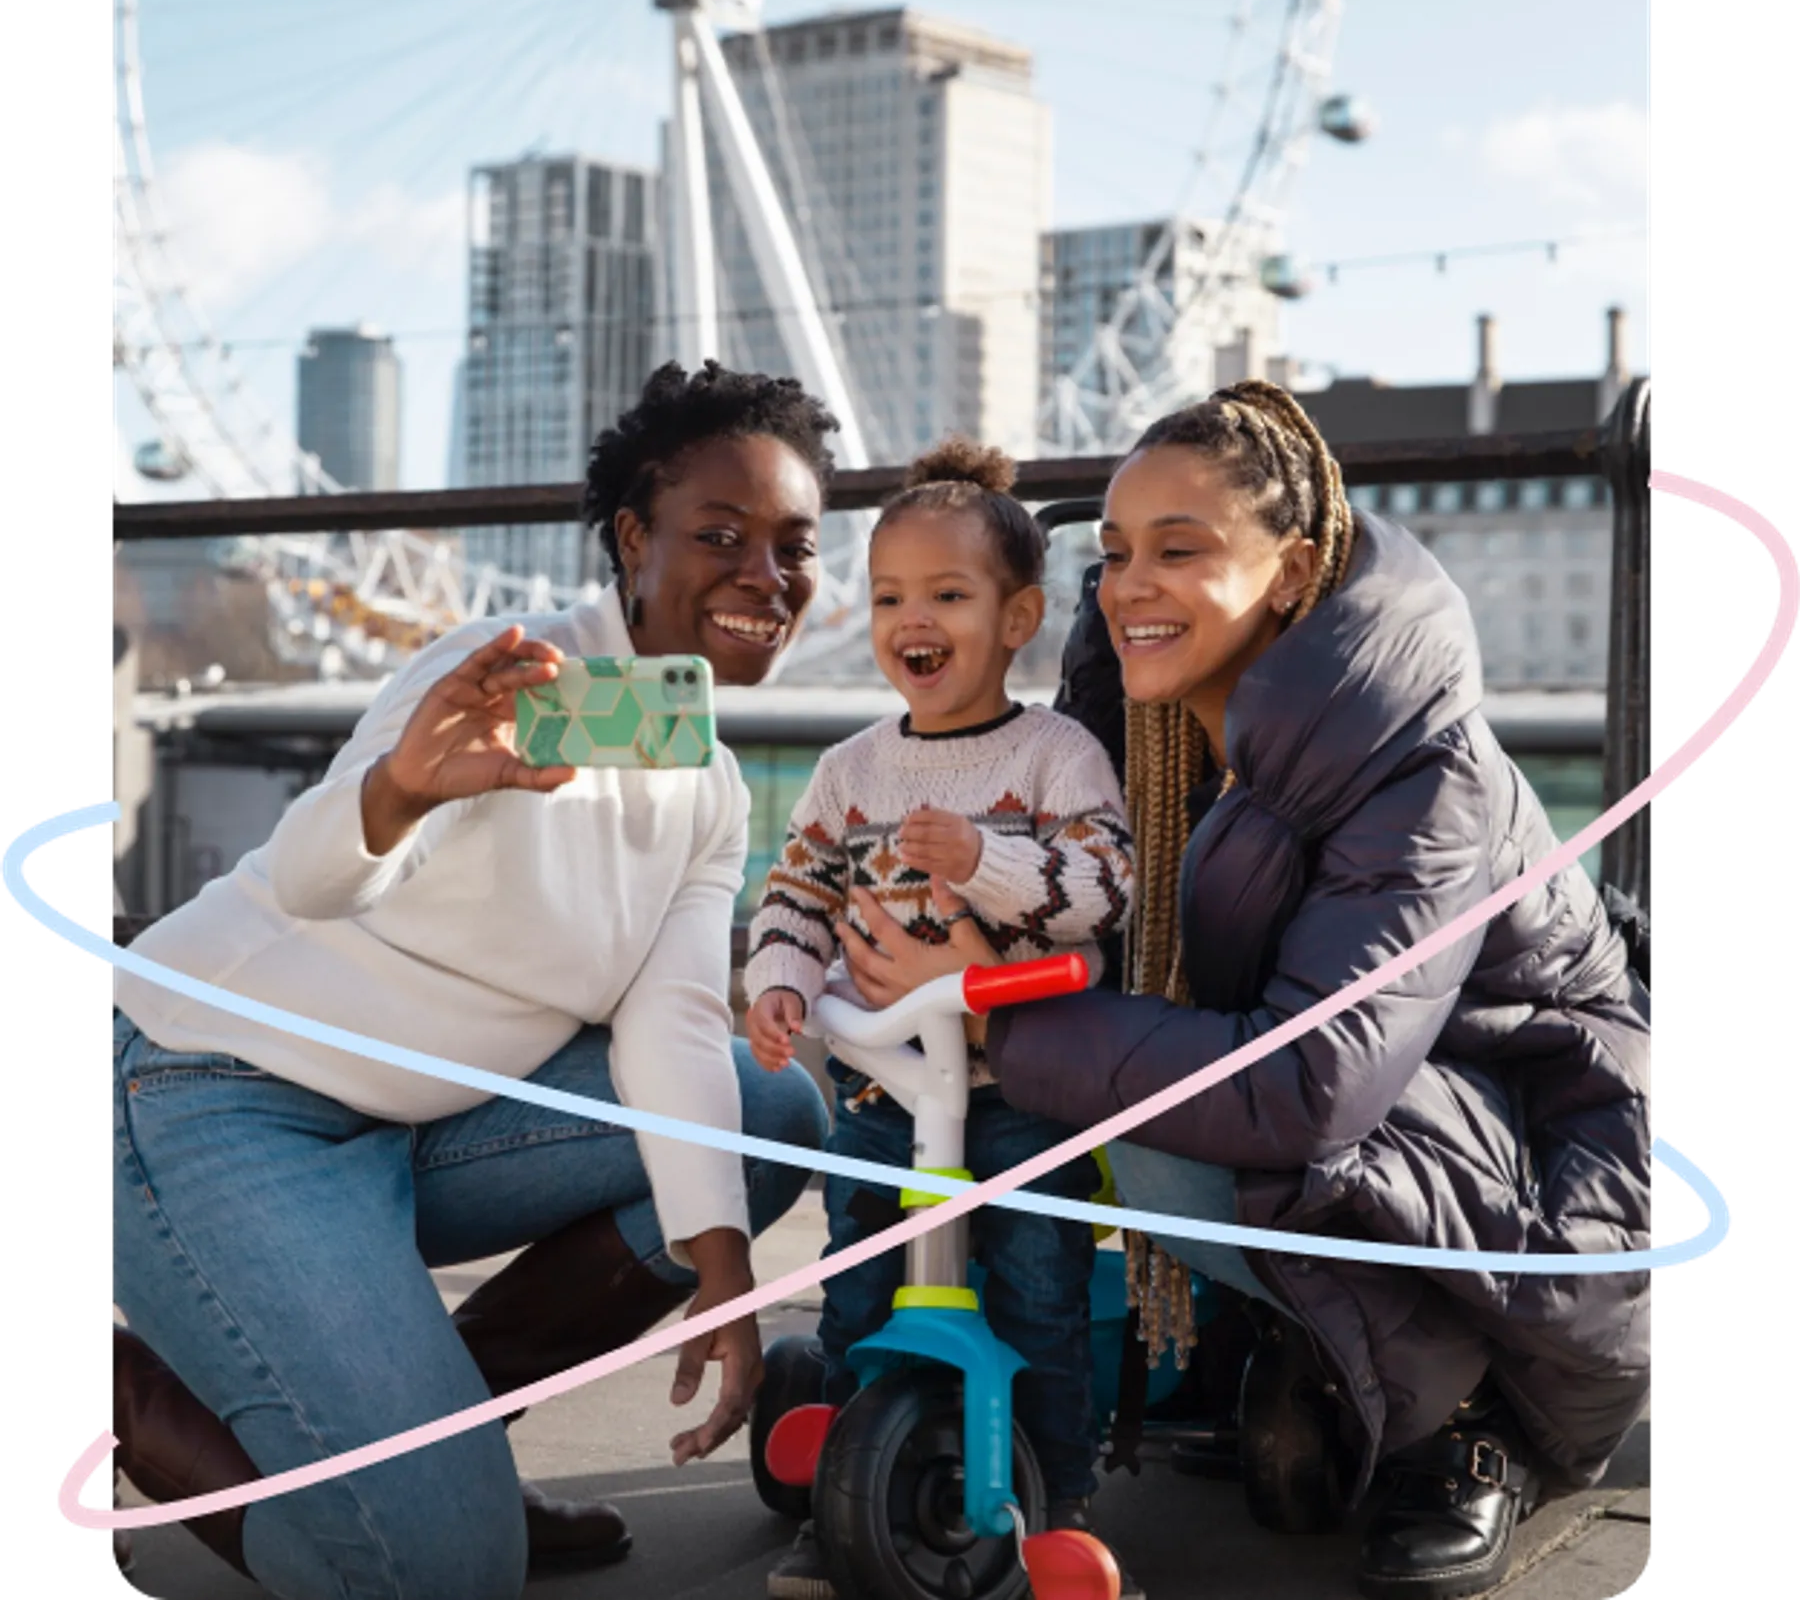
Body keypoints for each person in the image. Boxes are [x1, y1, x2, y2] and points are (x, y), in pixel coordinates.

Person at [109, 360, 840, 1600]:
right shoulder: (491, 673)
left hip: (423, 1123)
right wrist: (402, 792)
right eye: (720, 536)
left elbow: (666, 1020)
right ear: (630, 538)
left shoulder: (707, 786)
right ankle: (134, 1395)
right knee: (435, 1572)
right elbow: (308, 880)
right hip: (219, 1090)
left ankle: (442, 1438)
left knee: (769, 1115)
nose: (765, 577)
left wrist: (723, 1273)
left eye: (794, 547)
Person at [931, 379, 1655, 1599]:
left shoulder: (1421, 766)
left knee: (1172, 1137)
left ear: (1290, 570)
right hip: (1395, 1097)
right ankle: (1285, 1344)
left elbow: (1311, 1089)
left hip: (1543, 1116)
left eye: (1179, 550)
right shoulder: (1132, 708)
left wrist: (1001, 1015)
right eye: (1111, 555)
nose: (1128, 587)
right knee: (1126, 1097)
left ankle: (1471, 1422)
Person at [741, 439, 1143, 1600]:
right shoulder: (851, 770)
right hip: (884, 1094)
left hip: (1015, 1095)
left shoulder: (1055, 753)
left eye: (949, 596)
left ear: (1018, 616)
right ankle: (850, 1498)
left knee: (1036, 1292)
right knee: (864, 1295)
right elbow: (799, 891)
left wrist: (986, 860)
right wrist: (779, 981)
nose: (913, 620)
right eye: (889, 598)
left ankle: (1053, 1505)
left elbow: (1101, 887)